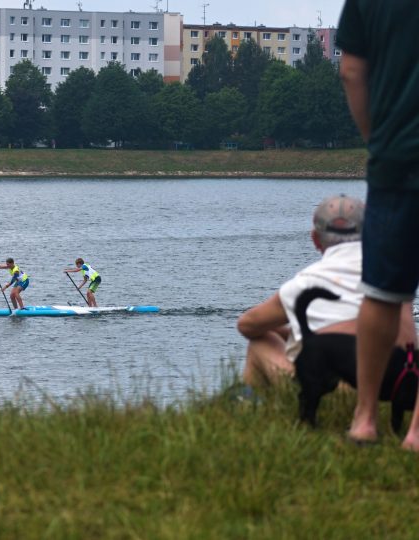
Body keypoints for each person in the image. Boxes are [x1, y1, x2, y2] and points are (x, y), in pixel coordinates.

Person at [338, 1, 419, 448]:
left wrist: (377, 136)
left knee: (382, 293)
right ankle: (417, 431)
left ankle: (365, 418)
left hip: (393, 160)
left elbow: (351, 71)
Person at [237, 195, 414, 389]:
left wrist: (284, 331)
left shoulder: (303, 283)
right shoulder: (392, 272)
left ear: (315, 239)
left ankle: (251, 406)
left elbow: (247, 325)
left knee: (260, 342)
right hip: (391, 384)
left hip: (335, 389)